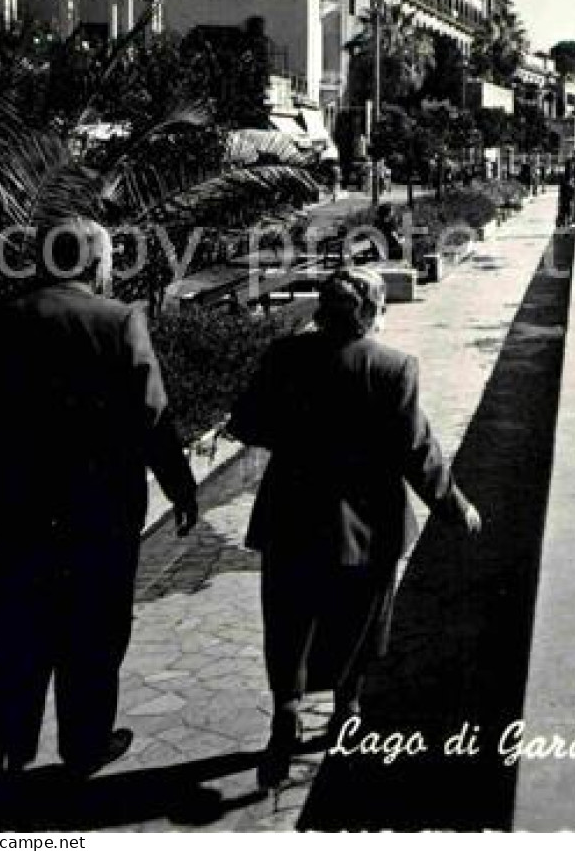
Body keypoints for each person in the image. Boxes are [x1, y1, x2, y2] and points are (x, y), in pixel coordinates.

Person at [0, 218, 199, 786]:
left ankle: (5, 753)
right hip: (100, 515)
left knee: (18, 631)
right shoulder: (118, 321)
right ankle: (85, 745)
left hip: (20, 512)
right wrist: (181, 486)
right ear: (96, 265)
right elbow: (152, 416)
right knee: (95, 630)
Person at [228, 267, 480, 789]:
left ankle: (287, 711)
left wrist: (298, 435)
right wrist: (454, 507)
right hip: (366, 522)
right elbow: (418, 453)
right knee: (360, 620)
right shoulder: (393, 368)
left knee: (289, 621)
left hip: (290, 516)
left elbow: (246, 423)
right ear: (372, 313)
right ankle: (347, 708)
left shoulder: (284, 357)